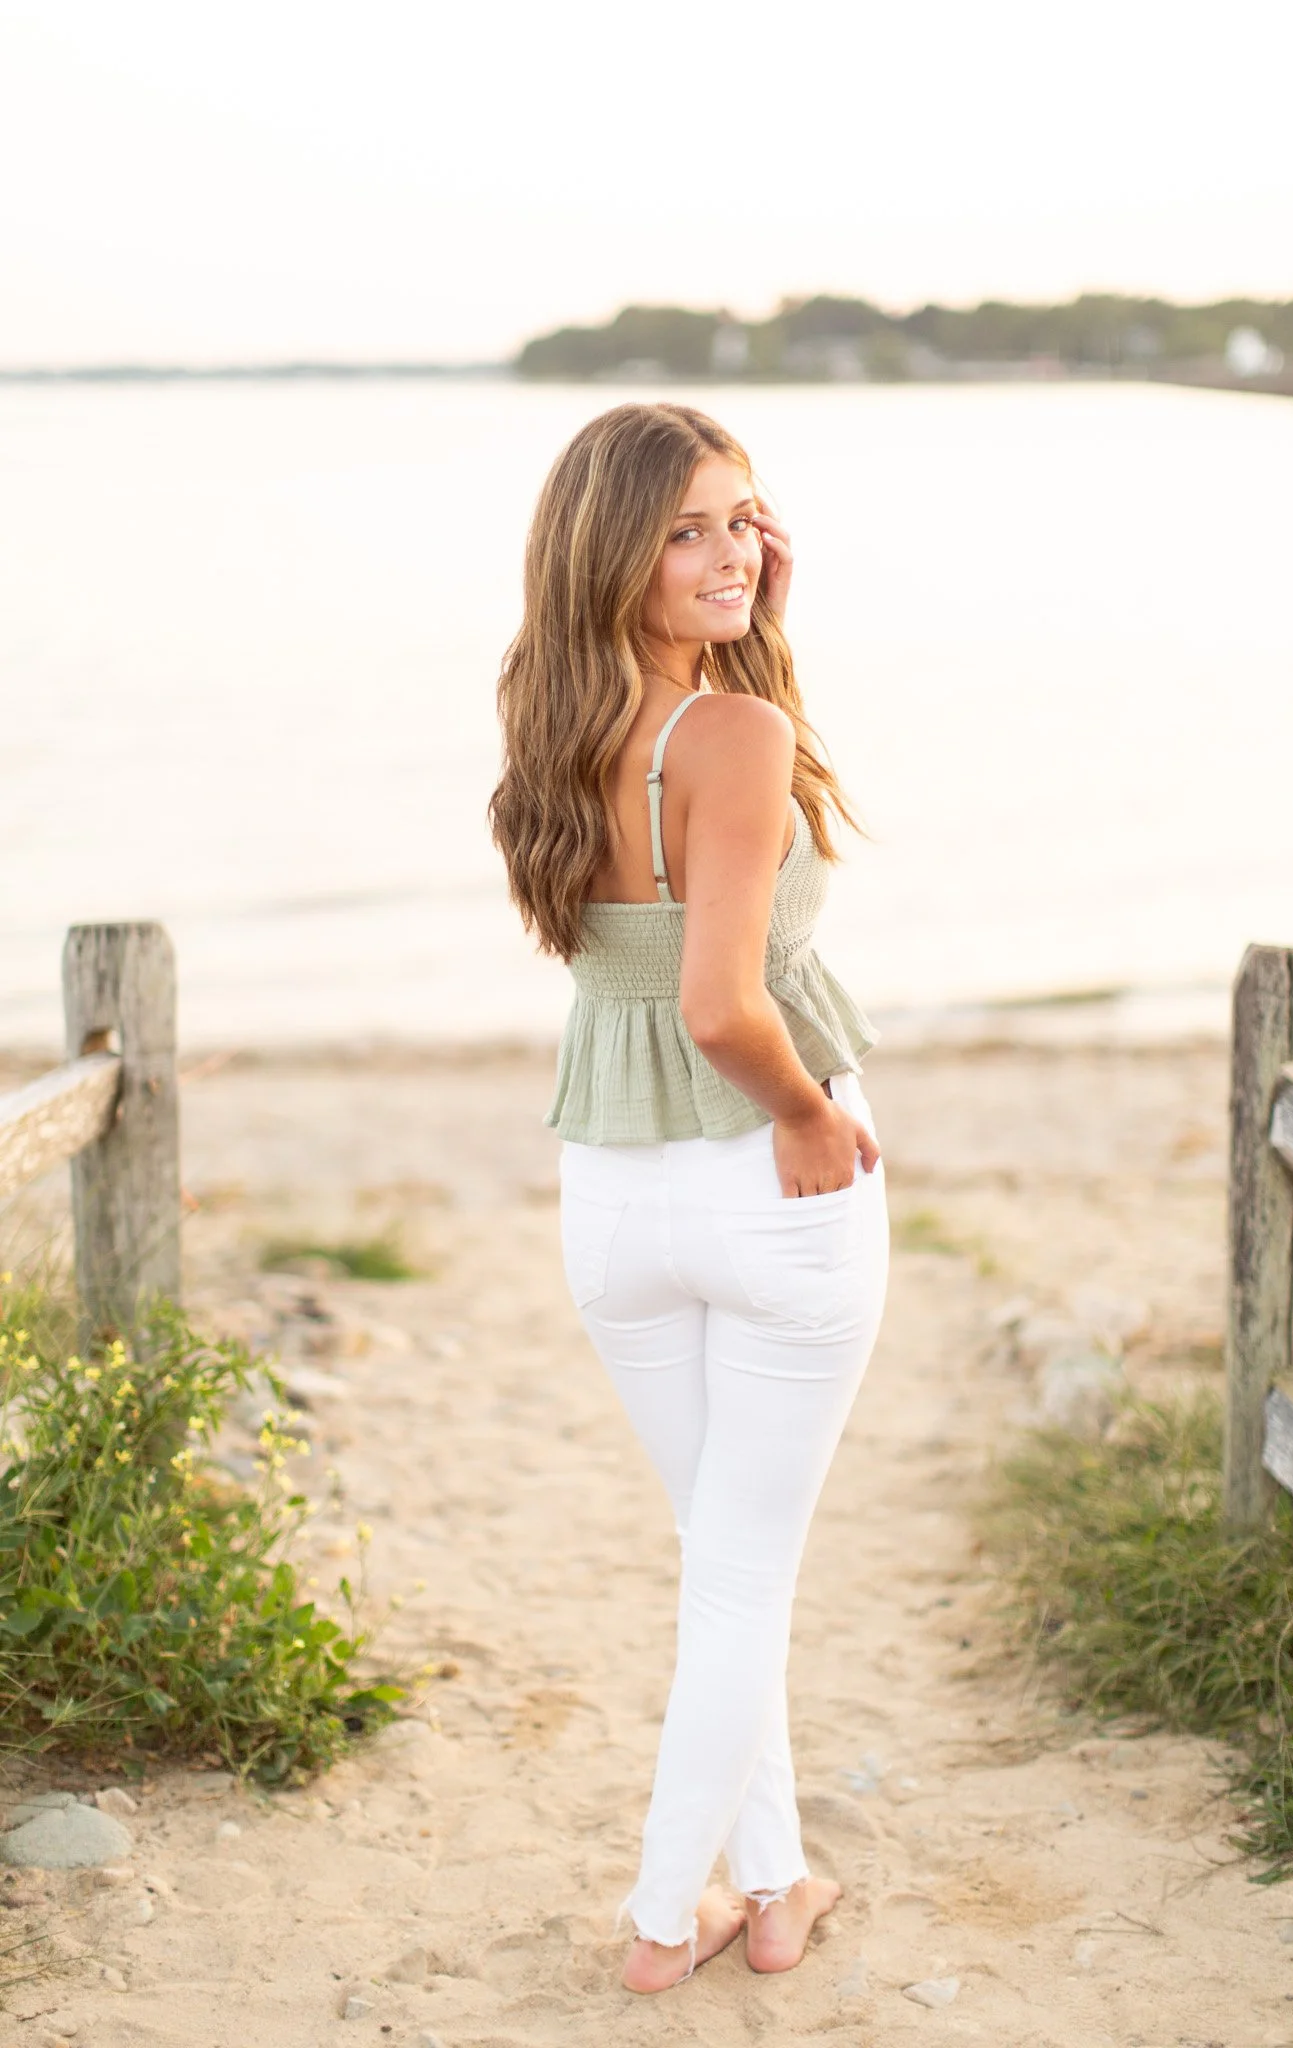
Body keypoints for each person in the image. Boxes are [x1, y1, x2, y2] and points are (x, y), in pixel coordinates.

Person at [488, 402, 889, 1994]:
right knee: (742, 1568)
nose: (731, 554)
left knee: (729, 1557)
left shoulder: (551, 724)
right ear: (615, 552)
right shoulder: (732, 737)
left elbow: (633, 956)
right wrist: (800, 1109)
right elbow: (721, 1005)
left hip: (616, 1204)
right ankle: (669, 1913)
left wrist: (754, 639)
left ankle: (775, 1888)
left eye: (745, 520)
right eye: (688, 531)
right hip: (762, 1181)